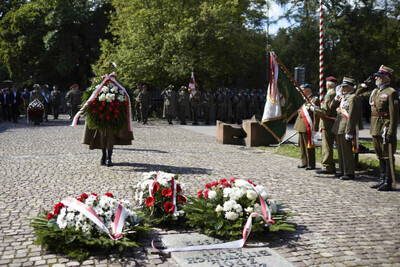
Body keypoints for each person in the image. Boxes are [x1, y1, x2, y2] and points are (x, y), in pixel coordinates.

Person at [356, 65, 398, 191]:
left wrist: (391, 131)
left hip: (385, 127)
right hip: (375, 127)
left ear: (386, 78)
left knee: (387, 155)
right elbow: (358, 95)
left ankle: (388, 182)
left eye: (379, 76)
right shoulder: (375, 92)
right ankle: (381, 180)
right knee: (379, 155)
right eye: (376, 76)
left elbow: (394, 115)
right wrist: (364, 85)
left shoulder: (391, 92)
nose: (376, 78)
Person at [331, 77, 362, 180]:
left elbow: (352, 115)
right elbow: (331, 107)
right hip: (339, 127)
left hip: (345, 128)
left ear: (350, 88)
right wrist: (336, 97)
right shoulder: (343, 98)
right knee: (340, 150)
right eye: (342, 87)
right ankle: (342, 170)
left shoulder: (353, 98)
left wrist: (349, 131)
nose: (342, 89)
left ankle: (349, 172)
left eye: (345, 87)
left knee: (347, 151)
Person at [313, 76, 339, 174]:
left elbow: (325, 111)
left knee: (327, 145)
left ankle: (327, 166)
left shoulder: (330, 94)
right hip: (332, 122)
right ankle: (330, 165)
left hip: (328, 122)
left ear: (328, 85)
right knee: (329, 144)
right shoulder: (335, 93)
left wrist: (314, 109)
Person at [294, 84, 319, 170]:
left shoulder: (314, 100)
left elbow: (316, 115)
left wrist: (315, 128)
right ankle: (304, 162)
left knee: (309, 145)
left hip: (308, 126)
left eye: (303, 90)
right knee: (302, 146)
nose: (301, 92)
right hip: (300, 125)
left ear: (308, 90)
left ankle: (311, 164)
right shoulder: (302, 100)